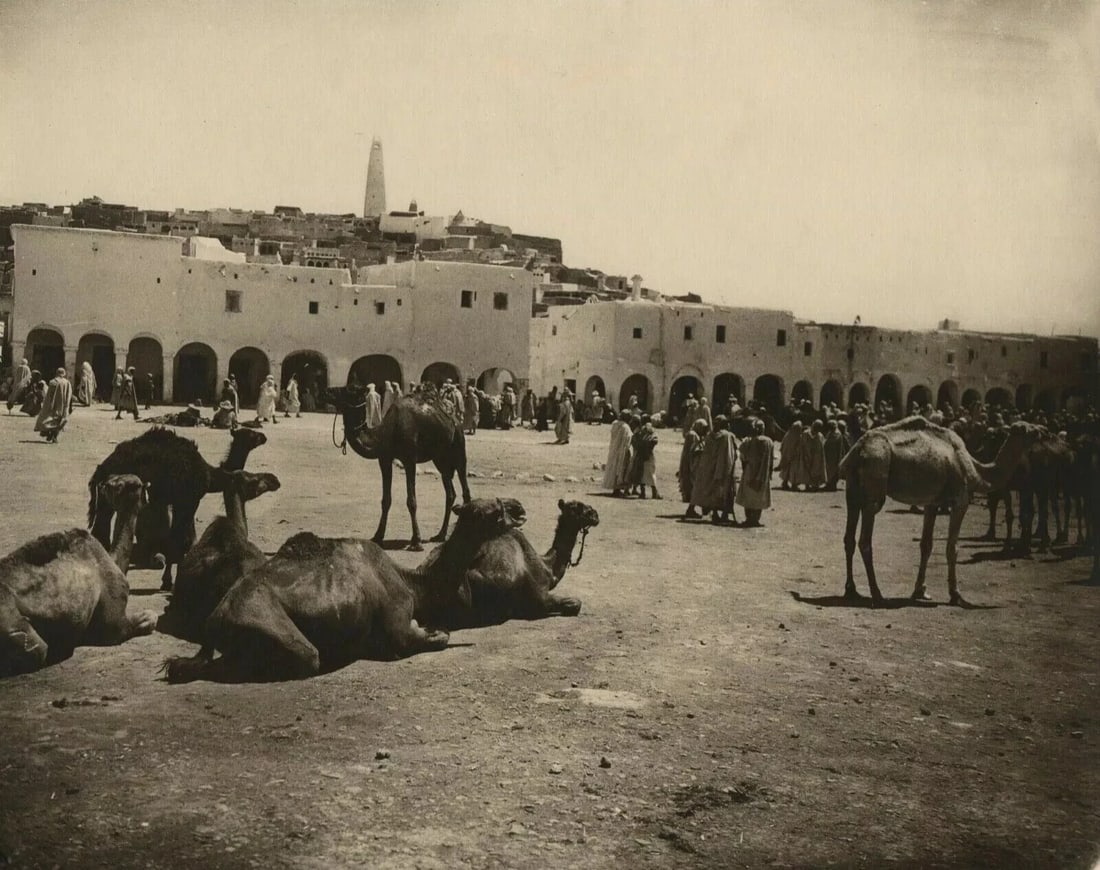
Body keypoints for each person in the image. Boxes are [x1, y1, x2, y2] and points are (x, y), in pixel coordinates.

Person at [687, 415, 736, 522]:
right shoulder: (726, 436)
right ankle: (717, 514)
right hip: (719, 467)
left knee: (702, 489)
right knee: (718, 491)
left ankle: (694, 508)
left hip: (706, 467)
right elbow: (728, 454)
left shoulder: (709, 436)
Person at [736, 418, 774, 526]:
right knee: (759, 497)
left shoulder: (748, 440)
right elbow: (771, 459)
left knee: (748, 495)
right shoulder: (769, 441)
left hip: (750, 470)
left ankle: (749, 519)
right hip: (763, 473)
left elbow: (741, 453)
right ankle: (755, 520)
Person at [34, 367, 72, 443]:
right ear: (64, 374)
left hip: (52, 406)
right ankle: (54, 436)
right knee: (59, 421)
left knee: (49, 420)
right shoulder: (67, 383)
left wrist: (46, 405)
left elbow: (48, 396)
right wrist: (68, 406)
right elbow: (69, 396)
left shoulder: (53, 382)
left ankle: (48, 433)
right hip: (62, 406)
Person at [628, 414, 661, 499]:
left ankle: (643, 493)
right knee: (651, 473)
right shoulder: (650, 429)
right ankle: (654, 492)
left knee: (641, 474)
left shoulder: (638, 430)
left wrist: (639, 447)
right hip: (649, 455)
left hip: (640, 454)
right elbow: (654, 440)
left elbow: (633, 441)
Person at [678, 418, 710, 506]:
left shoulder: (693, 434)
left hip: (689, 460)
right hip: (690, 462)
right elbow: (694, 450)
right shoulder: (693, 435)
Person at [603, 409, 634, 497]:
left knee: (614, 468)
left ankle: (616, 488)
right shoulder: (625, 427)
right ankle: (617, 489)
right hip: (622, 450)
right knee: (620, 468)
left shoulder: (615, 424)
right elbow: (628, 439)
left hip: (614, 449)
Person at [822, 419, 848, 491]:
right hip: (829, 455)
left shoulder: (838, 434)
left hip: (835, 456)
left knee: (834, 471)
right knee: (829, 471)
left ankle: (832, 485)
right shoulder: (831, 433)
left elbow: (840, 447)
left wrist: (840, 457)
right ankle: (829, 484)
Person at [778, 420, 803, 491]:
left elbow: (782, 445)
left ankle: (785, 482)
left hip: (787, 455)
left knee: (787, 469)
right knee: (793, 470)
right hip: (793, 456)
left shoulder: (788, 434)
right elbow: (797, 447)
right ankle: (794, 484)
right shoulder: (797, 436)